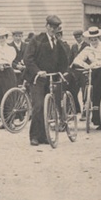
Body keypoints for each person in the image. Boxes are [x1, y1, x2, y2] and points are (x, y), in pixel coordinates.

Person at [23, 15, 69, 146]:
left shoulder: (57, 42)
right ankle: (34, 136)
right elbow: (28, 59)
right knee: (38, 106)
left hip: (50, 79)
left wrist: (63, 71)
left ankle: (43, 136)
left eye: (56, 28)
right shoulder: (36, 40)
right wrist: (38, 71)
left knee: (47, 107)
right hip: (37, 79)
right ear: (47, 26)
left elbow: (62, 60)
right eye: (52, 27)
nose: (54, 30)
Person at [71, 26, 101, 128]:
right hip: (93, 73)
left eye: (95, 39)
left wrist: (97, 63)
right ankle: (97, 119)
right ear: (89, 39)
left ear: (99, 38)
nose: (94, 41)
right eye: (92, 39)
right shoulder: (87, 49)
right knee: (92, 91)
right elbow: (77, 60)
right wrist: (85, 65)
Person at [0, 28, 17, 125]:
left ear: (6, 38)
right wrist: (0, 60)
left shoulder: (11, 49)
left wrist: (1, 58)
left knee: (9, 95)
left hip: (8, 72)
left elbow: (9, 59)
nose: (1, 40)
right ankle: (4, 121)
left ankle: (11, 121)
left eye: (2, 38)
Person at [68, 29, 89, 109]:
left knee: (84, 91)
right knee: (74, 90)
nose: (78, 39)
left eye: (79, 37)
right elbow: (70, 59)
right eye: (76, 37)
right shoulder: (73, 46)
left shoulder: (87, 46)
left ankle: (85, 108)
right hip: (75, 72)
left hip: (84, 71)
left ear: (83, 37)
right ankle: (76, 109)